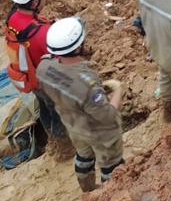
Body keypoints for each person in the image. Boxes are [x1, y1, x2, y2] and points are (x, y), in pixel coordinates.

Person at [36, 17, 123, 192]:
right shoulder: (86, 82)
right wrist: (118, 91)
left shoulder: (44, 67)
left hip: (72, 123)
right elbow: (107, 116)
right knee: (112, 167)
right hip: (98, 131)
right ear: (76, 47)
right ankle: (112, 196)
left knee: (84, 156)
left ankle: (88, 189)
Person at [5, 0, 69, 150]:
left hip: (30, 77)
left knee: (44, 108)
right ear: (34, 3)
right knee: (57, 110)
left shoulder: (12, 18)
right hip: (45, 81)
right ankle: (63, 146)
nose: (44, 1)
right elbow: (61, 60)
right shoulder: (42, 34)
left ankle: (52, 138)